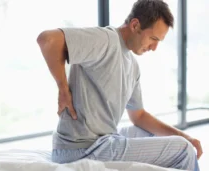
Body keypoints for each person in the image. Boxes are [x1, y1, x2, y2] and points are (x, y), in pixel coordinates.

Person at [37, 0, 202, 170]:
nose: (154, 48)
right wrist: (63, 89)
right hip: (81, 149)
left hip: (105, 140)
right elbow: (48, 39)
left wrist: (185, 136)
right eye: (153, 38)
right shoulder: (105, 40)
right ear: (135, 25)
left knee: (154, 135)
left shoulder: (132, 64)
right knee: (184, 150)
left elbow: (138, 116)